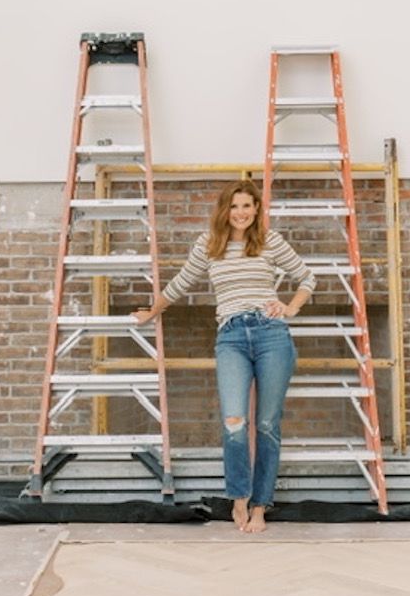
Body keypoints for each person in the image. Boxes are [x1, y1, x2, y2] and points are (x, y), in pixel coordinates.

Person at [134, 179, 316, 533]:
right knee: (234, 423)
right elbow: (180, 284)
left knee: (266, 425)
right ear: (224, 210)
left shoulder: (270, 242)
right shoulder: (210, 245)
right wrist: (150, 312)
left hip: (271, 335)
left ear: (256, 209)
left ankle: (260, 506)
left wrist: (290, 307)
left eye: (247, 206)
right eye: (234, 206)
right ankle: (238, 498)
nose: (241, 213)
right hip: (231, 337)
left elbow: (307, 277)